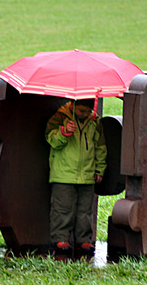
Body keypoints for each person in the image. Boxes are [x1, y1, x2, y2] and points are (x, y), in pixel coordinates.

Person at [45, 99, 107, 254]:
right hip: (63, 174)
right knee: (62, 209)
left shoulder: (95, 122)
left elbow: (100, 147)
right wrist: (64, 132)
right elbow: (52, 140)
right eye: (81, 111)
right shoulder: (59, 117)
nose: (85, 114)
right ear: (72, 106)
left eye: (88, 111)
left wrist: (99, 169)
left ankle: (84, 240)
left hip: (87, 175)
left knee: (85, 211)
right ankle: (61, 239)